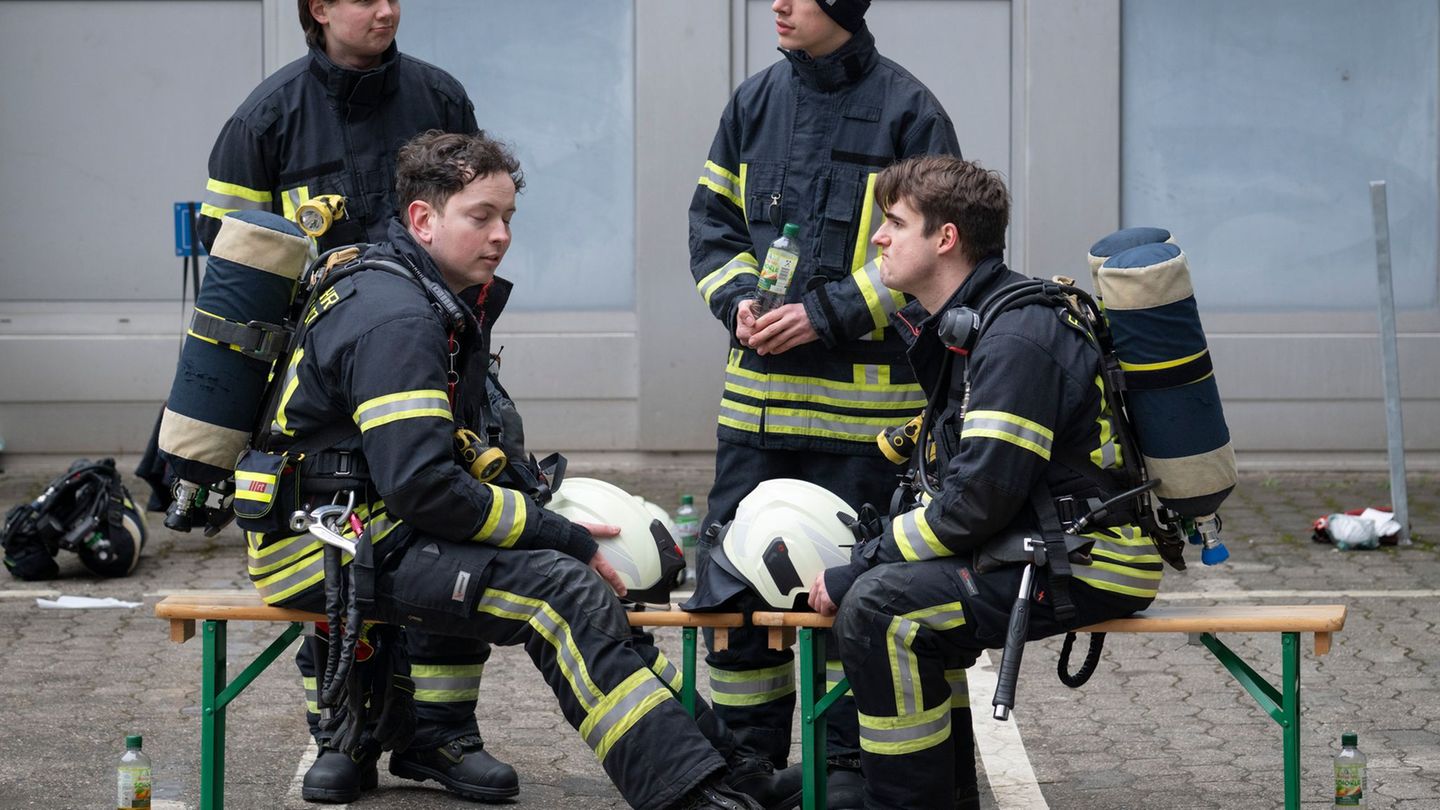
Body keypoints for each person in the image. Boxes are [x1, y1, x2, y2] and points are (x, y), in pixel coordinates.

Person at [245, 128, 773, 810]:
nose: (500, 236)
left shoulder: (416, 291)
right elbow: (423, 486)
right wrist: (560, 535)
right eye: (480, 217)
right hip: (326, 550)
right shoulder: (397, 317)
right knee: (561, 593)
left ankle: (732, 772)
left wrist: (545, 524)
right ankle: (693, 796)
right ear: (422, 219)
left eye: (507, 219)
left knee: (579, 585)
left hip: (364, 529)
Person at [164, 1, 511, 802]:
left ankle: (442, 738)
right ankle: (346, 738)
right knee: (335, 547)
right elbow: (235, 274)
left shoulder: (440, 97)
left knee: (447, 531)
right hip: (315, 389)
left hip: (434, 364)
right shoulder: (265, 119)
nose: (387, 9)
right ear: (319, 7)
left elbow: (476, 224)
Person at [808, 156, 1165, 809]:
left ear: (945, 239)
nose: (877, 239)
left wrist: (856, 569)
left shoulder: (1017, 336)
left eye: (894, 224)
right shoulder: (976, 324)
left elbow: (976, 502)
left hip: (1092, 562)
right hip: (1041, 546)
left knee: (883, 609)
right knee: (905, 599)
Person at [684, 0, 960, 802]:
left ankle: (846, 765)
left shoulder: (911, 112)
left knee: (851, 594)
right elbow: (711, 225)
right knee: (736, 598)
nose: (778, 3)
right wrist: (735, 297)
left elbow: (939, 257)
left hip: (863, 431)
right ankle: (746, 764)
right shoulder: (752, 102)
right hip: (756, 417)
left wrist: (826, 314)